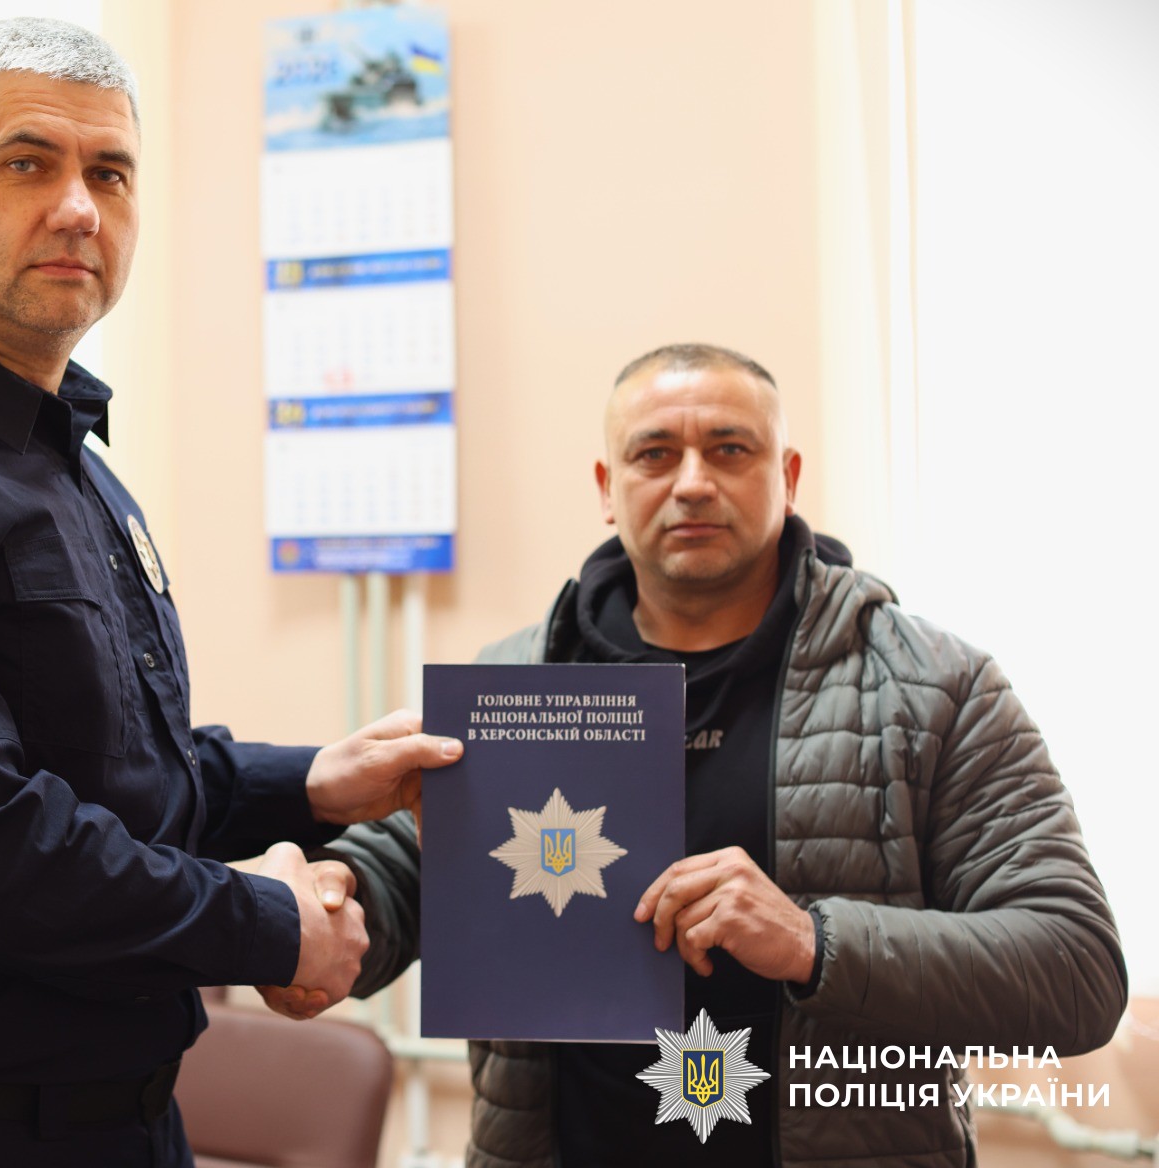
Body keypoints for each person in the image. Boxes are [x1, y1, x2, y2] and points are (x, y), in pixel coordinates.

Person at [0, 18, 460, 1166]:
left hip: (128, 1123)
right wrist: (265, 923)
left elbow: (117, 776)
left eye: (110, 173)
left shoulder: (66, 461)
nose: (76, 209)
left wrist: (312, 783)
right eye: (27, 163)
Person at [277, 343, 1127, 1167]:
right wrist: (321, 911)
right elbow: (403, 872)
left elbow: (1076, 972)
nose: (692, 482)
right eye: (655, 454)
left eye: (730, 449)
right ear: (607, 488)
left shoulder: (930, 688)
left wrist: (812, 942)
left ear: (788, 478)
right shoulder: (514, 682)